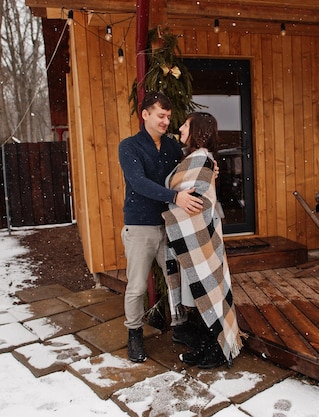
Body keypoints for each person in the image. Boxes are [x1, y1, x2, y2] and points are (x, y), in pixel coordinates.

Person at [118, 91, 205, 363]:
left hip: (170, 226)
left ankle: (180, 328)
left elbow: (186, 171)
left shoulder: (170, 147)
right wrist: (174, 197)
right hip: (140, 227)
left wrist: (208, 169)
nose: (166, 121)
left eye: (168, 116)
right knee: (136, 286)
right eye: (160, 116)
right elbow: (138, 182)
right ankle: (134, 334)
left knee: (176, 280)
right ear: (145, 115)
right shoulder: (129, 146)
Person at [162, 112, 243, 369]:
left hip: (200, 239)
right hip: (193, 239)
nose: (180, 128)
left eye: (185, 125)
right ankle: (208, 346)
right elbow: (182, 194)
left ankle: (217, 351)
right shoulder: (197, 158)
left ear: (197, 129)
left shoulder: (201, 159)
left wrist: (172, 198)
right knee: (202, 294)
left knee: (209, 293)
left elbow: (197, 199)